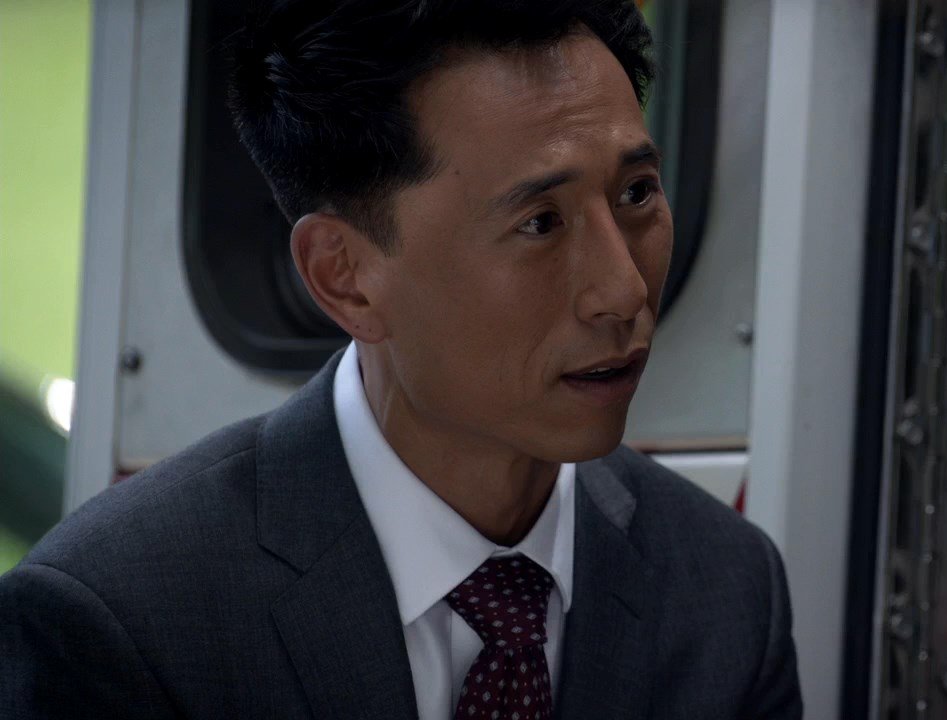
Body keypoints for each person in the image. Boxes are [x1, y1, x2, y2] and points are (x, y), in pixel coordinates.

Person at [0, 1, 802, 718]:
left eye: (636, 194)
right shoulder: (122, 618)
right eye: (540, 223)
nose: (622, 291)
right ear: (344, 276)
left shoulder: (726, 590)